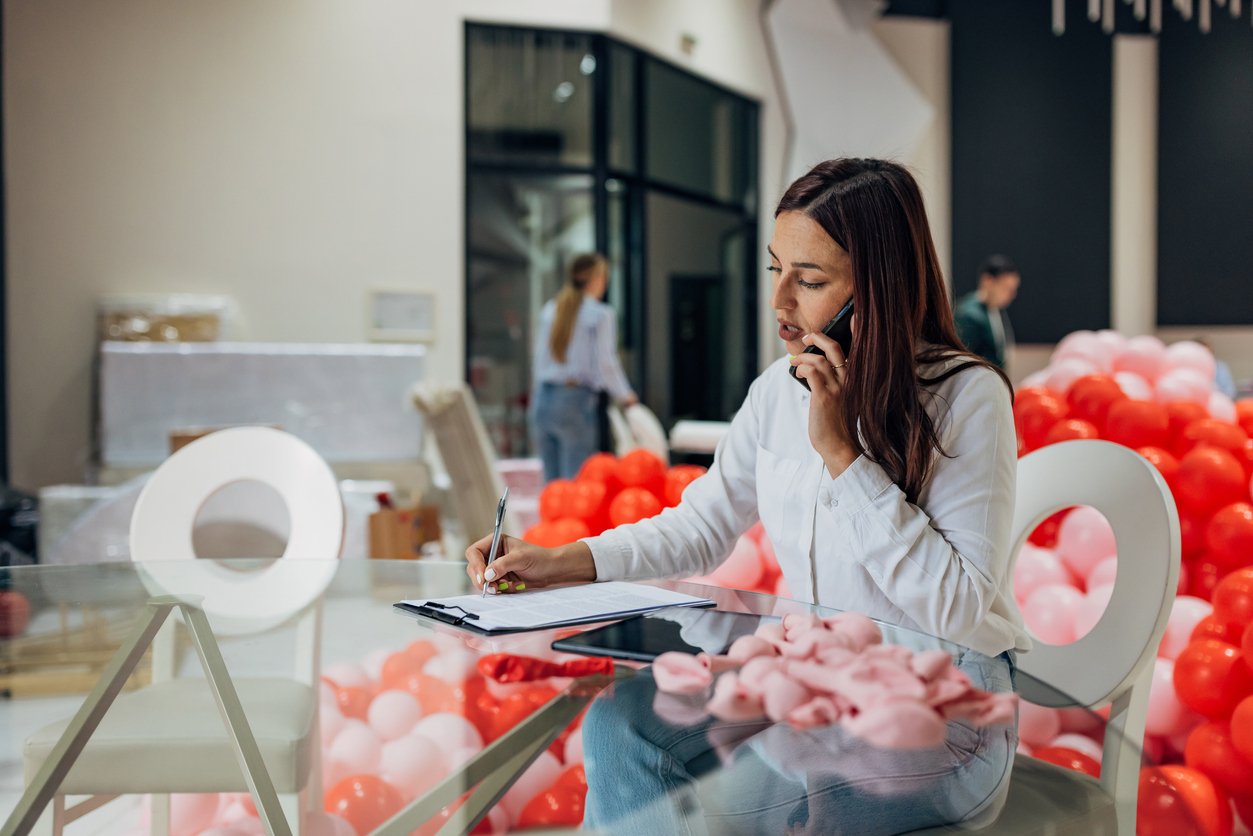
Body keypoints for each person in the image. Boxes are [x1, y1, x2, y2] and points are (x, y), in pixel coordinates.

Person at [466, 159, 1029, 833]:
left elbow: (959, 607)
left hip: (943, 709)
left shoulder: (967, 397)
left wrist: (843, 456)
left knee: (820, 783)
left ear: (876, 290)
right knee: (622, 724)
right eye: (774, 270)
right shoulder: (775, 391)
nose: (779, 302)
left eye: (810, 279)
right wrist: (562, 558)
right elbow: (701, 526)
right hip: (806, 689)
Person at [531, 253, 637, 482]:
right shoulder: (600, 314)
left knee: (551, 484)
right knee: (576, 481)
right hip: (574, 400)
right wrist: (625, 395)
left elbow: (538, 359)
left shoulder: (551, 309)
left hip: (543, 399)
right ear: (597, 279)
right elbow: (606, 362)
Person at [953, 254, 1020, 369]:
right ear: (988, 281)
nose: (1012, 295)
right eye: (1006, 288)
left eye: (1013, 289)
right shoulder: (968, 315)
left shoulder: (996, 309)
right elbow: (962, 361)